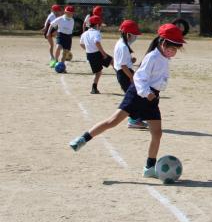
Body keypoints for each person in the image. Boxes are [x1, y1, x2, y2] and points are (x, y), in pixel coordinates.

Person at [69, 24, 186, 178]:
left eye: (176, 49)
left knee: (157, 133)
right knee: (113, 121)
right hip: (138, 94)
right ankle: (83, 139)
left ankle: (149, 167)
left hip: (152, 97)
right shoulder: (152, 57)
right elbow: (139, 78)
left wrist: (154, 93)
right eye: (172, 48)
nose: (174, 52)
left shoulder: (164, 57)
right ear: (163, 43)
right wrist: (147, 93)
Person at [113, 20, 148, 130]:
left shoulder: (122, 43)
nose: (135, 37)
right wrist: (132, 78)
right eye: (134, 35)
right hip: (125, 74)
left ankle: (136, 119)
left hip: (125, 73)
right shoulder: (123, 46)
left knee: (136, 97)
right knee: (135, 98)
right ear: (128, 34)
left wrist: (130, 60)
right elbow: (123, 66)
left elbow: (122, 62)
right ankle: (133, 120)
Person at [79, 15, 112, 94]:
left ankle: (94, 88)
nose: (100, 27)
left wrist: (88, 49)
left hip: (89, 55)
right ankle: (122, 79)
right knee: (113, 62)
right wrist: (104, 54)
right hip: (97, 54)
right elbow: (97, 42)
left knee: (98, 72)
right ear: (97, 25)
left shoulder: (85, 33)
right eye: (100, 25)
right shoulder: (97, 33)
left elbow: (81, 44)